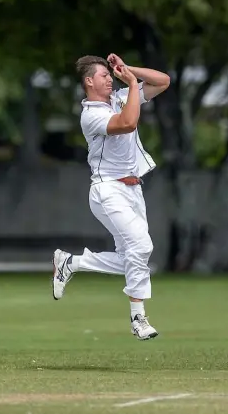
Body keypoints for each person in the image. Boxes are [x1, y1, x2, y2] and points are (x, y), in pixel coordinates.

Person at [52, 53, 170, 340]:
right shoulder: (91, 115)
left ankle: (72, 263)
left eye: (110, 74)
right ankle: (138, 318)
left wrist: (128, 71)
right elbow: (129, 123)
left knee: (133, 255)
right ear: (89, 81)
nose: (109, 78)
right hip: (108, 190)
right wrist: (130, 83)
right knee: (141, 247)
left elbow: (163, 81)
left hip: (133, 189)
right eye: (104, 75)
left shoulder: (119, 96)